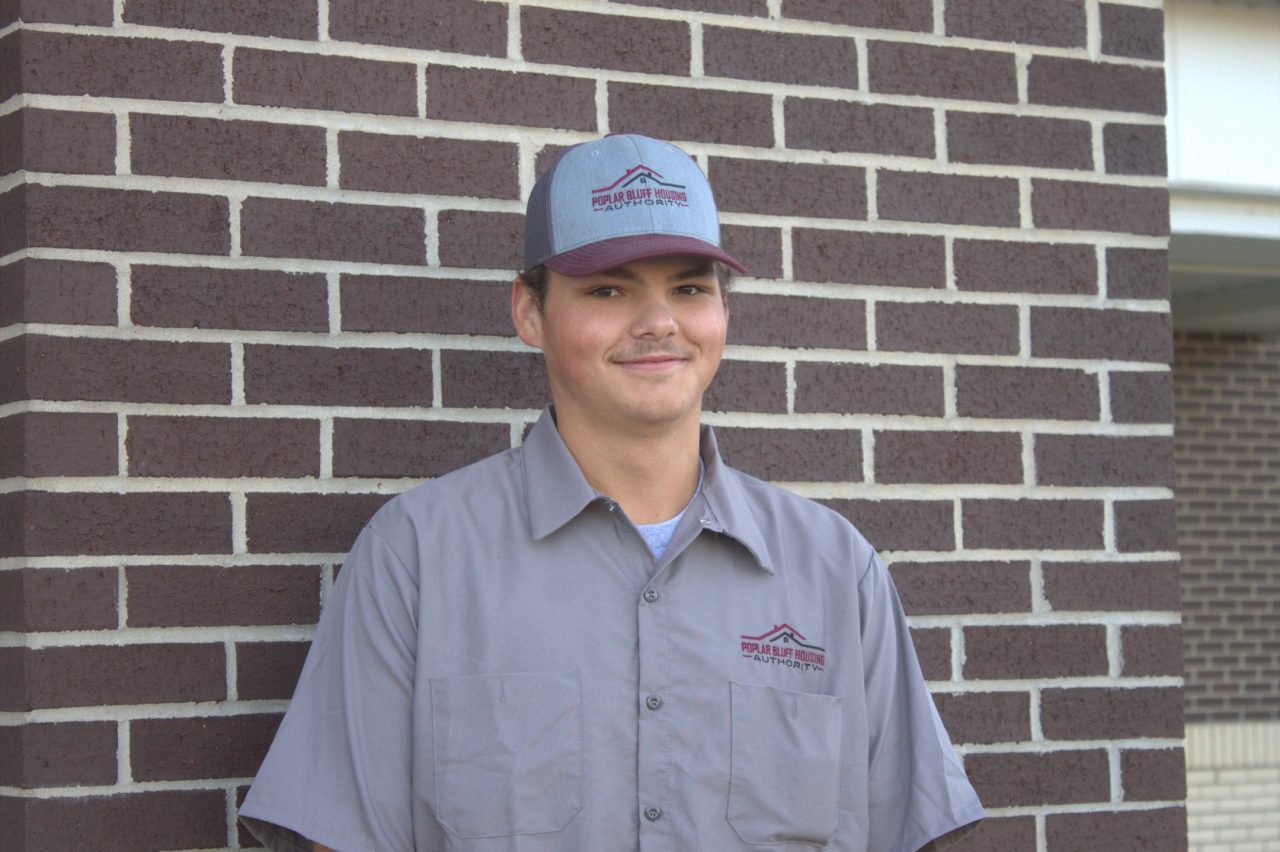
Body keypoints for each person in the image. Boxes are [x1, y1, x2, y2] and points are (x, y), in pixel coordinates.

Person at [239, 133, 984, 851]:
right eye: (608, 288)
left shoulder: (834, 569)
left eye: (688, 288)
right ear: (530, 312)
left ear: (723, 312)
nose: (658, 323)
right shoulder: (416, 558)